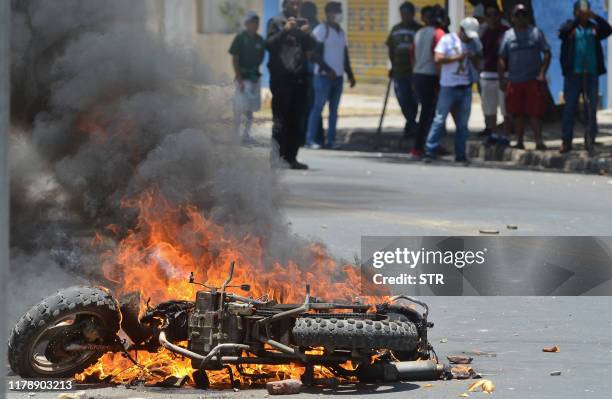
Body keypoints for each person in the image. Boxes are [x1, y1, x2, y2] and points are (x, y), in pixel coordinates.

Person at [425, 17, 482, 164]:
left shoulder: (474, 43)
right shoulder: (447, 40)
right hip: (448, 86)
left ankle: (461, 154)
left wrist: (474, 57)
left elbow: (480, 63)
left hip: (466, 87)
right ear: (461, 30)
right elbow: (438, 59)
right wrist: (458, 57)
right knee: (439, 119)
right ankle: (430, 150)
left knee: (463, 124)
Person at [266, 0, 314, 169]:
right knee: (281, 121)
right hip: (281, 80)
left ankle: (291, 158)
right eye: (292, 4)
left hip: (299, 80)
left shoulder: (302, 23)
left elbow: (310, 52)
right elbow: (269, 45)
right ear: (284, 4)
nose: (296, 7)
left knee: (297, 121)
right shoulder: (276, 22)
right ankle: (276, 159)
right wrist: (285, 31)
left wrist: (307, 34)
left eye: (298, 4)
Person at [559, 0, 612, 153]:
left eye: (586, 11)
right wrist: (577, 20)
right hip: (573, 75)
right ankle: (566, 141)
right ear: (575, 12)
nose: (584, 14)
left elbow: (608, 30)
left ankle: (590, 140)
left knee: (591, 109)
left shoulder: (594, 27)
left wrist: (594, 16)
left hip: (591, 73)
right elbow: (562, 33)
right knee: (569, 108)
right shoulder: (570, 27)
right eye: (581, 11)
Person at [498, 4, 551, 151]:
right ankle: (519, 141)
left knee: (535, 113)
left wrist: (542, 73)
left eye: (524, 15)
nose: (521, 18)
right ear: (513, 18)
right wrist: (502, 77)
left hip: (533, 80)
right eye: (517, 15)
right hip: (514, 80)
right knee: (517, 113)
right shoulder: (508, 36)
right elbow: (502, 57)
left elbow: (546, 53)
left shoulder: (536, 33)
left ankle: (538, 142)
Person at [305, 1, 356, 150]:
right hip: (323, 77)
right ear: (328, 14)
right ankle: (310, 139)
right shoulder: (321, 30)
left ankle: (331, 140)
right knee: (317, 108)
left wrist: (350, 75)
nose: (339, 15)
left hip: (338, 78)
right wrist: (327, 70)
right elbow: (313, 54)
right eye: (336, 12)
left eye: (340, 11)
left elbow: (344, 56)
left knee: (334, 111)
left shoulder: (341, 32)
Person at [411, 6, 447, 159]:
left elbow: (411, 55)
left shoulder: (419, 33)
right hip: (431, 77)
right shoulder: (438, 34)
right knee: (430, 114)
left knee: (426, 113)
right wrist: (440, 81)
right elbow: (437, 58)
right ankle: (423, 146)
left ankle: (426, 145)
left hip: (418, 75)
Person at [386, 2, 422, 137]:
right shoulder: (396, 29)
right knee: (402, 98)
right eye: (402, 13)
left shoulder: (419, 29)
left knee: (414, 99)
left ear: (412, 14)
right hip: (399, 71)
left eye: (407, 13)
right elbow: (391, 48)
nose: (404, 16)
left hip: (414, 71)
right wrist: (392, 65)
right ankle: (411, 122)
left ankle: (411, 125)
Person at [229, 11, 265, 145]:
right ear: (247, 24)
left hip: (255, 77)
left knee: (250, 109)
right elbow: (235, 59)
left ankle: (246, 135)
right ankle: (235, 135)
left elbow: (261, 57)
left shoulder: (260, 40)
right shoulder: (240, 38)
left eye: (257, 22)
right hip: (243, 79)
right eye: (253, 22)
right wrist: (239, 78)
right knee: (239, 108)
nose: (255, 25)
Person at [479, 4, 510, 145]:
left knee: (505, 108)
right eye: (489, 15)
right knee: (489, 108)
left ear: (500, 15)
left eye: (495, 14)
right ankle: (492, 134)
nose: (492, 18)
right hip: (487, 75)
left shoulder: (507, 31)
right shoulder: (482, 32)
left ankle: (505, 136)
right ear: (485, 17)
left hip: (504, 75)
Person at [300, 1, 324, 147]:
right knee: (314, 107)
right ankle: (314, 137)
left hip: (311, 72)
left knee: (312, 106)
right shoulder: (316, 26)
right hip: (311, 72)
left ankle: (312, 137)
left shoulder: (312, 28)